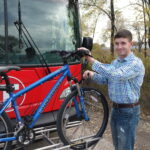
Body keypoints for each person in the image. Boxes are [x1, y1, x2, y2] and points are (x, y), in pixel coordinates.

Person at [78, 29, 145, 150]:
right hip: (115, 109)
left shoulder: (136, 63)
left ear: (131, 44)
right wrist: (92, 74)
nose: (119, 47)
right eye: (117, 43)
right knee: (117, 145)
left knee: (125, 147)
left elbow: (116, 75)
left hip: (128, 112)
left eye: (123, 43)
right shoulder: (116, 62)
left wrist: (90, 58)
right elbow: (107, 79)